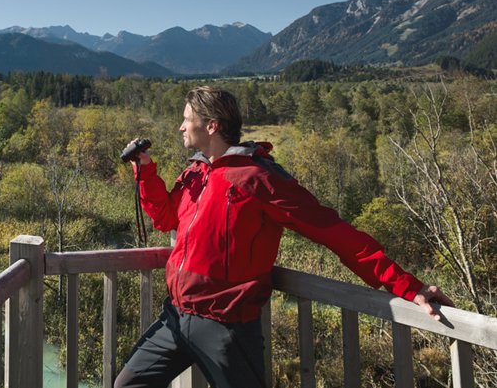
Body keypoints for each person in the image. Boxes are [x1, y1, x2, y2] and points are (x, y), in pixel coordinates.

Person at [115, 86, 452, 388]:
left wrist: (406, 285)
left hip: (226, 327)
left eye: (187, 119)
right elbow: (165, 218)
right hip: (176, 314)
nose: (181, 126)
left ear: (212, 125)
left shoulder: (259, 179)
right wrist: (145, 169)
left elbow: (334, 232)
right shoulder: (195, 172)